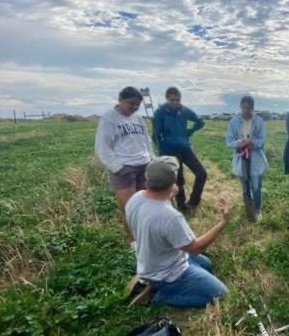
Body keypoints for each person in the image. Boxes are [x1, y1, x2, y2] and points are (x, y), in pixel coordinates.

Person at [126, 156, 231, 308]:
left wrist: (168, 194)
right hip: (169, 274)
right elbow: (196, 248)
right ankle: (160, 296)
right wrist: (223, 222)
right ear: (173, 182)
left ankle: (154, 283)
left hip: (153, 263)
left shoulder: (136, 198)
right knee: (222, 296)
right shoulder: (170, 216)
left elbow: (149, 211)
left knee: (207, 264)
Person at [95, 86, 154, 243]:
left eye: (137, 105)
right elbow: (103, 148)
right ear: (120, 100)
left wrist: (151, 159)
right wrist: (119, 168)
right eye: (131, 103)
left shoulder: (139, 119)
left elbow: (147, 141)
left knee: (144, 207)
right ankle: (134, 245)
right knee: (130, 210)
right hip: (124, 170)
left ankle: (146, 238)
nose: (134, 107)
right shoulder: (109, 119)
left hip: (144, 167)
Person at [153, 87, 207, 214]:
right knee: (179, 179)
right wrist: (162, 152)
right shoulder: (160, 112)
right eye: (172, 100)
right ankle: (182, 206)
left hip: (185, 147)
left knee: (202, 174)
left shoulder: (185, 111)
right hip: (169, 149)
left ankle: (193, 203)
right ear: (167, 99)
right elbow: (156, 134)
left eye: (177, 100)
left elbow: (200, 122)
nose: (175, 102)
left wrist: (189, 131)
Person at [226, 96, 269, 222]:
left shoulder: (259, 121)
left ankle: (257, 209)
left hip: (256, 157)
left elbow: (262, 140)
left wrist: (252, 142)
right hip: (241, 159)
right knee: (245, 186)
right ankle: (249, 209)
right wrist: (241, 142)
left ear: (253, 108)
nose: (246, 110)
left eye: (249, 108)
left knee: (256, 186)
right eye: (244, 108)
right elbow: (229, 142)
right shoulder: (234, 122)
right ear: (241, 108)